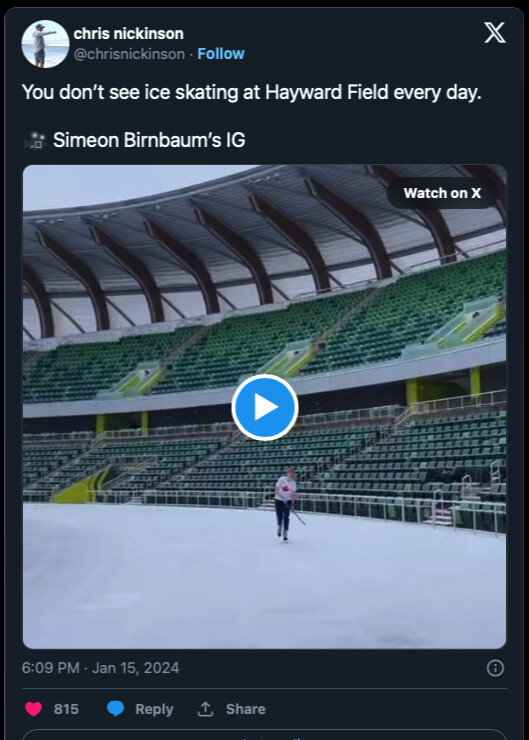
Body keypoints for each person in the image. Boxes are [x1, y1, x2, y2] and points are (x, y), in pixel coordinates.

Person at [274, 466, 297, 541]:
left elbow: (293, 494)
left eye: (292, 474)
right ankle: (280, 526)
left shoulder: (293, 483)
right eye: (289, 473)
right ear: (287, 473)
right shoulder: (282, 479)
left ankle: (285, 531)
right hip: (279, 500)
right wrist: (282, 498)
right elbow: (277, 490)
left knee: (286, 516)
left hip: (288, 500)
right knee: (279, 515)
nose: (291, 475)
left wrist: (292, 504)